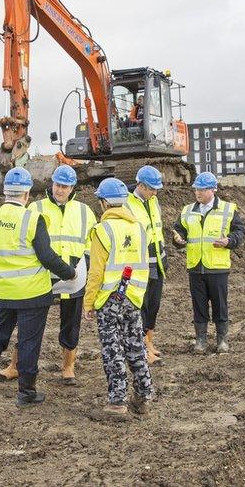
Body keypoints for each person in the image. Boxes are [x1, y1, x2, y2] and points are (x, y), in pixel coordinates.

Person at [0, 167, 76, 408]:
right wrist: (70, 273)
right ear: (27, 194)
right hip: (32, 293)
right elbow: (47, 257)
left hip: (2, 290)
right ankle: (26, 391)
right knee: (29, 341)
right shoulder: (32, 219)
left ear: (5, 191)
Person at [0, 165, 95, 386]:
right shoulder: (36, 207)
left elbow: (90, 242)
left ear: (72, 187)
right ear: (52, 183)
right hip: (41, 275)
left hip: (73, 275)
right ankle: (16, 366)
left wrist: (84, 262)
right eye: (57, 185)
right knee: (28, 323)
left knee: (71, 323)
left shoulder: (85, 211)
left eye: (65, 186)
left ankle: (68, 367)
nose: (60, 190)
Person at [83, 177, 153, 416]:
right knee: (136, 347)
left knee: (112, 350)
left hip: (110, 299)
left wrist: (89, 302)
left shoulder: (102, 230)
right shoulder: (139, 228)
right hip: (133, 297)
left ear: (103, 203)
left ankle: (117, 402)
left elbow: (96, 272)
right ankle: (142, 397)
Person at [172, 172, 245, 354]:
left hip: (217, 268)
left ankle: (222, 340)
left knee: (220, 305)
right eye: (196, 189)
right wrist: (178, 239)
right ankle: (201, 341)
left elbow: (240, 232)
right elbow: (178, 231)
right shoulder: (187, 210)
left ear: (213, 190)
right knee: (199, 305)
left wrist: (229, 241)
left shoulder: (228, 210)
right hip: (196, 267)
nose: (198, 192)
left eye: (202, 189)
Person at [126, 165, 167, 365]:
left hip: (157, 260)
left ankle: (149, 342)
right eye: (151, 188)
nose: (155, 192)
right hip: (140, 264)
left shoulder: (154, 201)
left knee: (153, 305)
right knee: (141, 307)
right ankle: (143, 349)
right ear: (140, 185)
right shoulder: (128, 203)